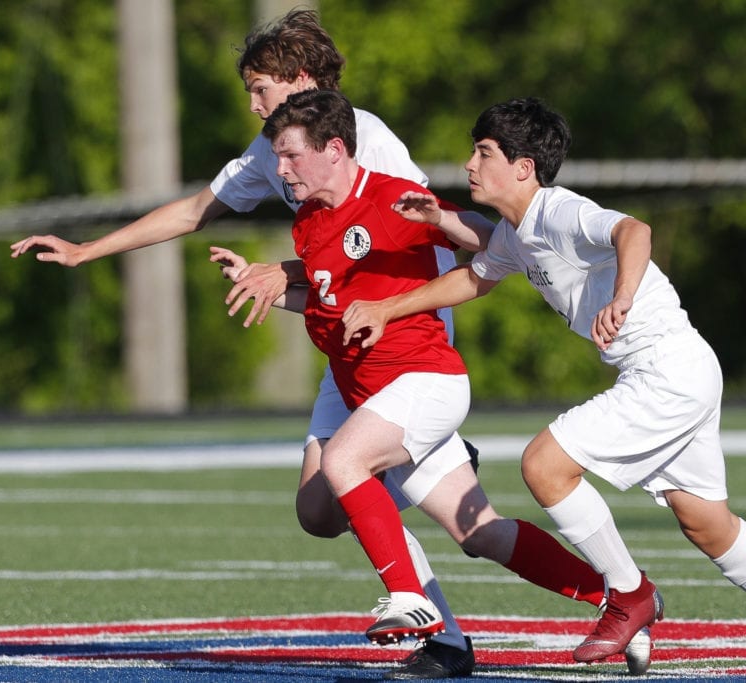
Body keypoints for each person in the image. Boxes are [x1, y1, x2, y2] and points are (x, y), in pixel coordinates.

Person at [11, 10, 488, 677]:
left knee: (390, 490)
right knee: (318, 510)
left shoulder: (363, 144)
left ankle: (443, 632)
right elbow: (192, 210)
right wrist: (89, 250)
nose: (252, 103)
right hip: (344, 335)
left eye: (260, 88)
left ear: (299, 81)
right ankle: (430, 519)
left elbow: (387, 253)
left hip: (400, 328)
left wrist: (285, 275)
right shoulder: (276, 148)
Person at [209, 89, 651, 678]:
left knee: (344, 464)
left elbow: (487, 239)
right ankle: (623, 598)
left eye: (289, 156)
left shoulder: (391, 197)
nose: (280, 169)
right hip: (377, 394)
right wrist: (270, 286)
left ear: (334, 150)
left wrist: (444, 218)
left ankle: (413, 603)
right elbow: (331, 304)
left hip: (424, 381)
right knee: (480, 533)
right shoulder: (312, 220)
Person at [340, 96, 746, 667]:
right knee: (707, 525)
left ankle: (630, 595)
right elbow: (472, 280)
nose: (470, 164)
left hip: (667, 370)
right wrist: (389, 308)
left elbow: (635, 229)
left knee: (544, 465)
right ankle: (633, 595)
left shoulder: (557, 211)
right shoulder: (514, 233)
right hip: (682, 369)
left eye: (483, 153)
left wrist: (623, 297)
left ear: (523, 167)